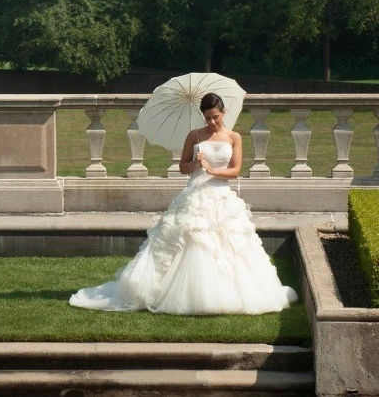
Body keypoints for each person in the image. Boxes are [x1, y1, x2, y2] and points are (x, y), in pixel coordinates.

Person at [69, 92, 298, 315]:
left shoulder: (234, 137)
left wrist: (212, 170)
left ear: (223, 113)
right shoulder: (194, 135)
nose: (211, 121)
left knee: (229, 244)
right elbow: (182, 167)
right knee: (186, 239)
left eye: (215, 116)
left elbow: (235, 171)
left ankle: (228, 292)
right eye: (207, 117)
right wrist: (195, 166)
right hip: (195, 193)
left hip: (221, 196)